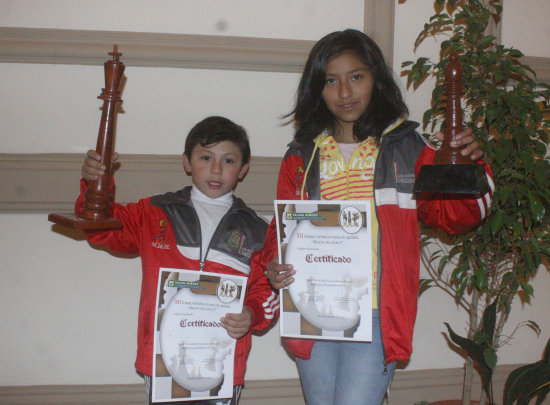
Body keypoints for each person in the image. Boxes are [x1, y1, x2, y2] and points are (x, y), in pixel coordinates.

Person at [259, 29, 493, 405]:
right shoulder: (300, 154)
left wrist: (470, 165)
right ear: (316, 90)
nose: (345, 92)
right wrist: (275, 264)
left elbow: (453, 216)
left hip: (375, 313)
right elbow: (282, 228)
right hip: (311, 307)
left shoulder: (408, 148)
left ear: (376, 80)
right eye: (331, 81)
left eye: (356, 77)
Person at [77, 116, 279, 405]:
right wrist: (94, 182)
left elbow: (268, 291)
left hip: (222, 364)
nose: (216, 169)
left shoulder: (259, 230)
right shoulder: (154, 212)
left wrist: (252, 314)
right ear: (186, 162)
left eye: (229, 161)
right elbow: (100, 227)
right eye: (206, 157)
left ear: (243, 169)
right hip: (162, 358)